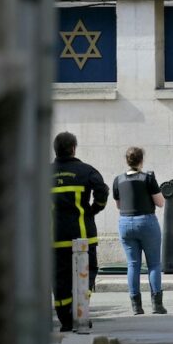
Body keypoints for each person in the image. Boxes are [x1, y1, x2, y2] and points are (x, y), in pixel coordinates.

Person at [51, 131, 109, 332]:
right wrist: (94, 209)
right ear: (74, 148)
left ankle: (66, 320)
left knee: (60, 278)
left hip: (55, 237)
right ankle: (80, 313)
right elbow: (102, 191)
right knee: (85, 273)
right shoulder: (86, 170)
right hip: (83, 235)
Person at [113, 147, 167, 315]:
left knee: (133, 264)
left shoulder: (118, 180)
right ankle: (157, 305)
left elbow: (119, 205)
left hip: (125, 223)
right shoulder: (148, 178)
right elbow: (160, 202)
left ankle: (136, 306)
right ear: (141, 160)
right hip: (146, 222)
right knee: (154, 264)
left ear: (126, 161)